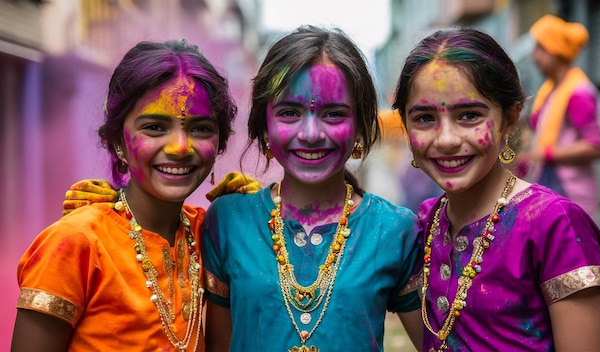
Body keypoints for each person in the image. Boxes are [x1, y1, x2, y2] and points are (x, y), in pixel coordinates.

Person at [202, 25, 423, 351]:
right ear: (264, 124)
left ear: (360, 124)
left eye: (333, 114)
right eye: (290, 112)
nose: (310, 133)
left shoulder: (394, 229)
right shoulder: (229, 221)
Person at [392, 27, 600, 351]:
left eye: (469, 115)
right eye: (424, 118)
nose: (447, 139)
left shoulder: (554, 224)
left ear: (509, 118)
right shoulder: (423, 225)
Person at [11, 39, 238, 351]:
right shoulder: (75, 242)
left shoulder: (213, 234)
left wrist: (250, 213)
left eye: (200, 129)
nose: (180, 148)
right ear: (118, 141)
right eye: (156, 127)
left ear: (220, 144)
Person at [524, 14, 600, 217]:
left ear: (555, 51)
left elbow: (595, 147)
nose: (535, 56)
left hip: (571, 191)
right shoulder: (550, 91)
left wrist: (547, 154)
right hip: (551, 182)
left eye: (540, 49)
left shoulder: (578, 92)